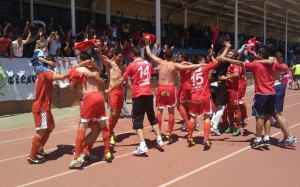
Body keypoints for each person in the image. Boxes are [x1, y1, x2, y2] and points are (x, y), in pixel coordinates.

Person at [218, 45, 287, 149]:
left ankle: (258, 139)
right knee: (267, 116)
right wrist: (272, 60)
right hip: (272, 93)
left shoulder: (256, 65)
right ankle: (267, 137)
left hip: (261, 94)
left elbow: (240, 63)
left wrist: (225, 58)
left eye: (257, 54)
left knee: (259, 117)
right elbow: (283, 67)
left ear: (260, 55)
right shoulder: (273, 64)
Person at [105, 47, 164, 155]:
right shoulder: (147, 63)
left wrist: (110, 89)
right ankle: (159, 139)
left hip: (139, 94)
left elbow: (121, 80)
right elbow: (154, 70)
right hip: (149, 94)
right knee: (152, 118)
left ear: (132, 54)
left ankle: (142, 145)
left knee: (137, 120)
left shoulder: (131, 65)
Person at [145, 38, 202, 143]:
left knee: (159, 111)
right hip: (170, 88)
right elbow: (189, 67)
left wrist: (147, 44)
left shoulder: (160, 62)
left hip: (161, 87)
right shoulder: (175, 65)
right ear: (172, 56)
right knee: (171, 112)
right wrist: (201, 65)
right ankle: (169, 134)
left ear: (165, 56)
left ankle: (158, 133)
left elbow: (149, 54)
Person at [68, 52, 111, 168]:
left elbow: (72, 86)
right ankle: (106, 151)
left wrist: (78, 88)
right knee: (100, 127)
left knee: (82, 127)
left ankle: (77, 157)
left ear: (80, 58)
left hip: (87, 98)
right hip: (99, 97)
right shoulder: (95, 70)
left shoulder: (79, 70)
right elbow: (103, 83)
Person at [27, 67, 69, 164]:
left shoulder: (43, 76)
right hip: (41, 108)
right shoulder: (45, 73)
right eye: (52, 66)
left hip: (45, 108)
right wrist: (75, 69)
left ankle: (40, 149)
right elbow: (61, 77)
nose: (54, 69)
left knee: (50, 126)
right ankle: (32, 156)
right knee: (41, 131)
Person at [186, 47, 223, 150]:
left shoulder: (190, 71)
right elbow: (216, 62)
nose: (203, 61)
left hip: (194, 97)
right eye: (202, 59)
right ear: (199, 61)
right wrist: (211, 56)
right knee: (206, 118)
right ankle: (206, 139)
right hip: (204, 97)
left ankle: (189, 136)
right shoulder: (205, 68)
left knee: (192, 118)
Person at [97, 43, 124, 146]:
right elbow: (101, 59)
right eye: (119, 57)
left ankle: (111, 131)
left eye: (122, 57)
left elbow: (126, 78)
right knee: (113, 113)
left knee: (118, 114)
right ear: (115, 55)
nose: (121, 58)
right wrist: (99, 49)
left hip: (121, 91)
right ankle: (110, 133)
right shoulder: (110, 64)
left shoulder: (122, 66)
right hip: (112, 91)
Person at [271, 52, 297, 147]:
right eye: (278, 58)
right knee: (276, 114)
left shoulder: (278, 64)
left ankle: (289, 136)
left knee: (276, 113)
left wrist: (287, 77)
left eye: (280, 58)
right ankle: (288, 136)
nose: (279, 59)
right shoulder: (275, 64)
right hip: (276, 87)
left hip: (278, 87)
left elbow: (289, 72)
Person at [219, 49, 246, 136]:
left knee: (235, 108)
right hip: (229, 88)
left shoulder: (235, 64)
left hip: (235, 89)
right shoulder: (230, 64)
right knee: (229, 108)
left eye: (229, 54)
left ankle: (238, 127)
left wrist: (225, 78)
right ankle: (231, 125)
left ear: (234, 57)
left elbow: (236, 75)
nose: (227, 55)